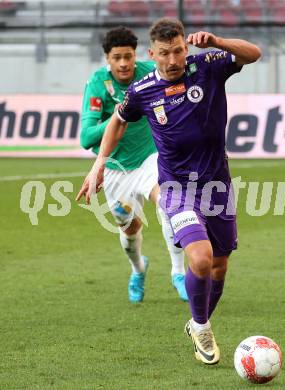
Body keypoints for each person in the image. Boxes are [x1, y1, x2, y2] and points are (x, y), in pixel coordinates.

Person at [77, 19, 261, 364]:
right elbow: (118, 120)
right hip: (175, 185)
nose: (173, 60)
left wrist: (218, 41)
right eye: (164, 53)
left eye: (178, 50)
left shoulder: (207, 66)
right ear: (153, 54)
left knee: (220, 265)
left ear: (185, 48)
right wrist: (99, 162)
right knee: (201, 258)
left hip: (217, 183)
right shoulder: (143, 90)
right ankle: (203, 326)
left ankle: (195, 321)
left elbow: (254, 54)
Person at [79, 26, 188, 303]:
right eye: (117, 58)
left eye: (128, 56)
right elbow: (87, 137)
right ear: (107, 59)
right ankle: (138, 268)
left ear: (136, 55)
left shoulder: (151, 73)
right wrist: (120, 114)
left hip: (151, 157)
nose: (124, 63)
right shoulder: (96, 85)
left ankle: (178, 273)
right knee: (129, 228)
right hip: (116, 167)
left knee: (168, 204)